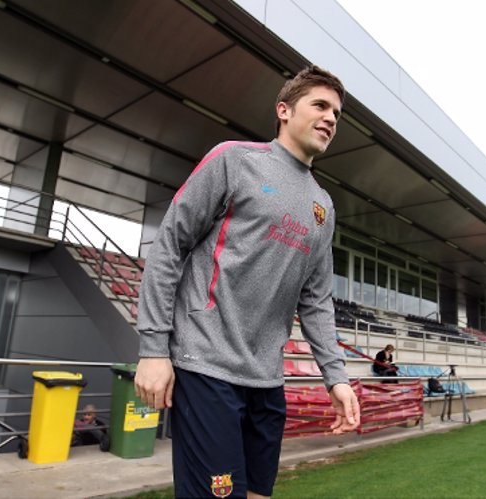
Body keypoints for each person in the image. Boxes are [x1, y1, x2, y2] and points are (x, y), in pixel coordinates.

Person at [134, 65, 360, 498]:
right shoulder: (233, 160)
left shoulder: (323, 207)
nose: (331, 118)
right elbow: (169, 247)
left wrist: (337, 377)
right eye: (320, 105)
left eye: (337, 112)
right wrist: (152, 348)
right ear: (283, 110)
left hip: (267, 380)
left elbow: (316, 301)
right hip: (206, 365)